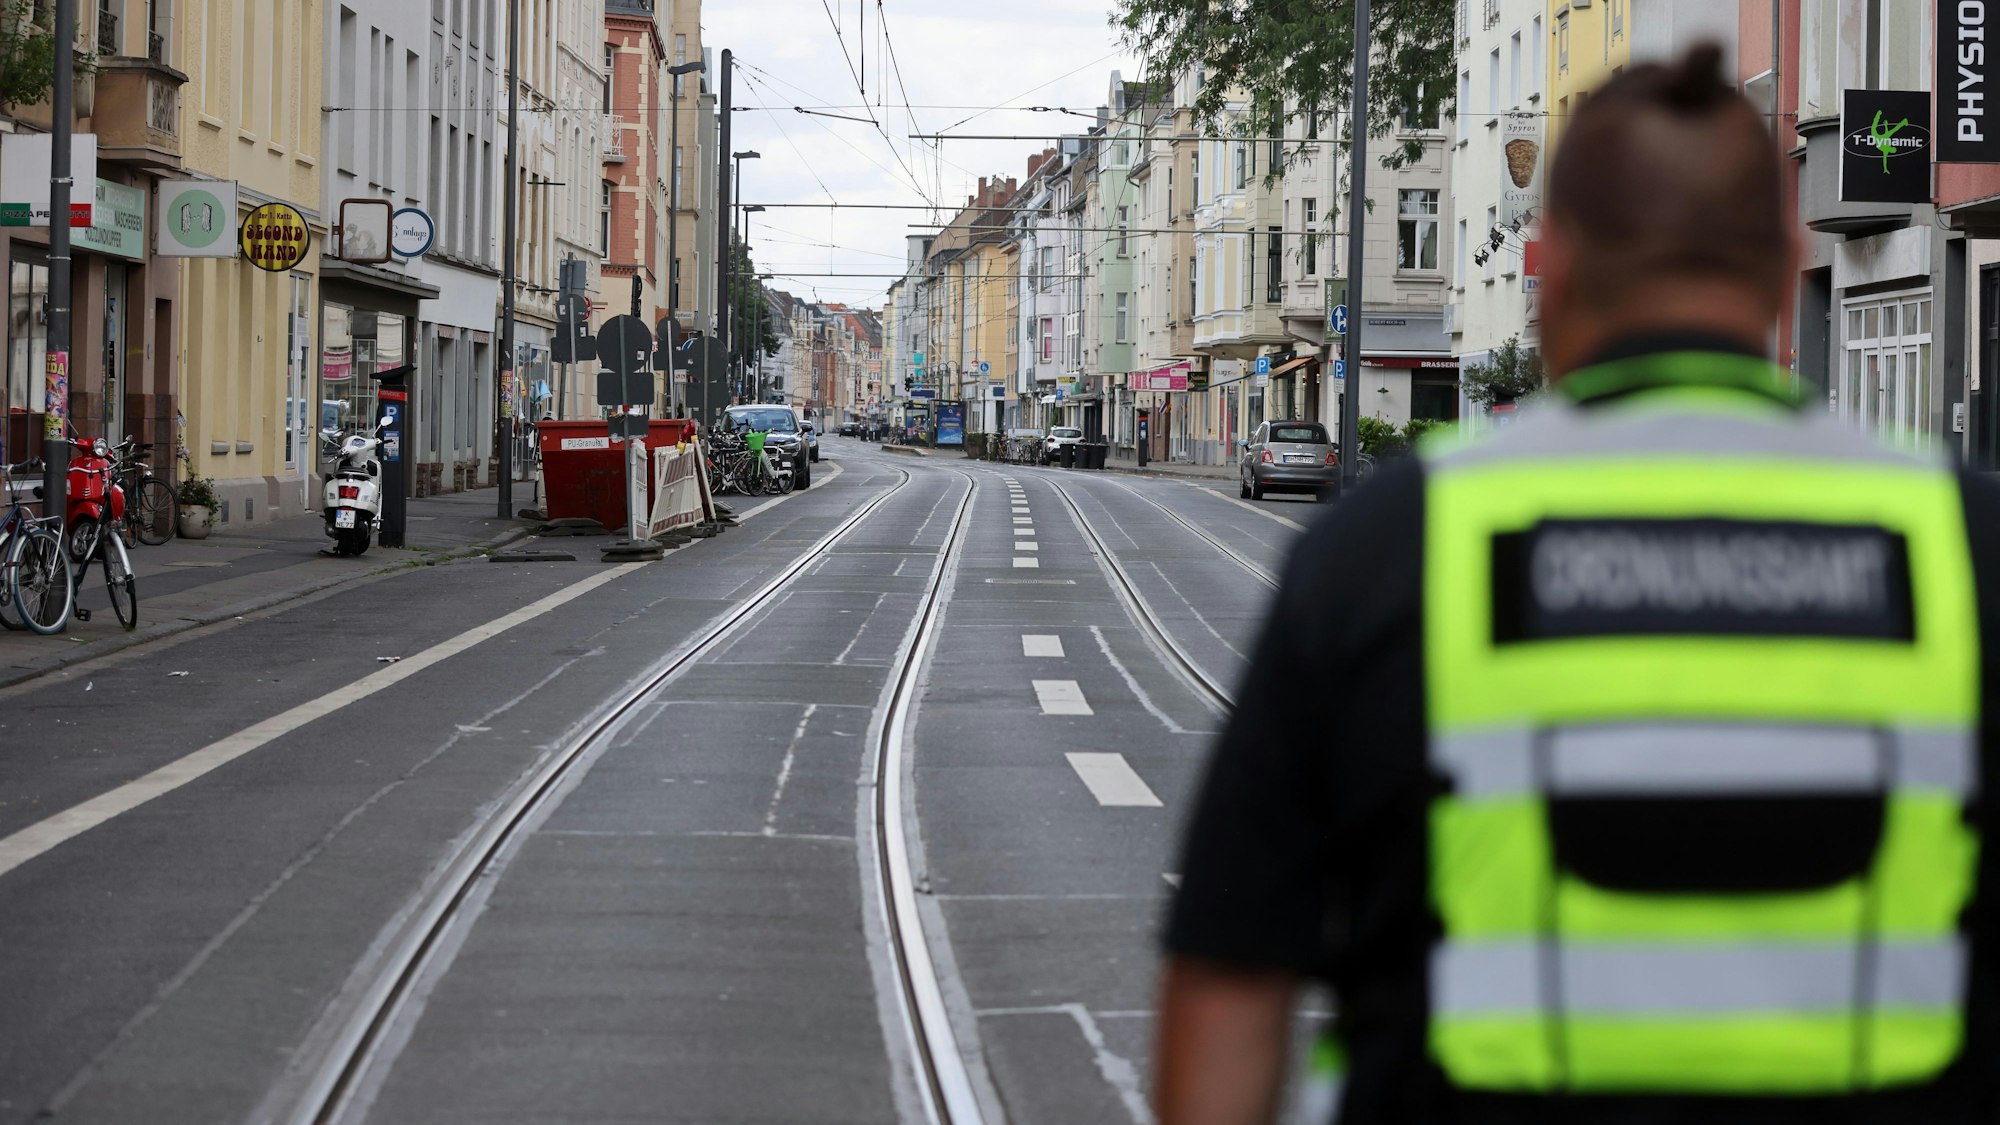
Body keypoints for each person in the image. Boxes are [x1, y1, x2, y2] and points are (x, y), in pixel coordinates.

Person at [1155, 44, 1996, 1125]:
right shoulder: (1957, 543)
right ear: (1782, 252)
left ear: (1550, 261)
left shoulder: (1390, 547)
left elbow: (1231, 979)